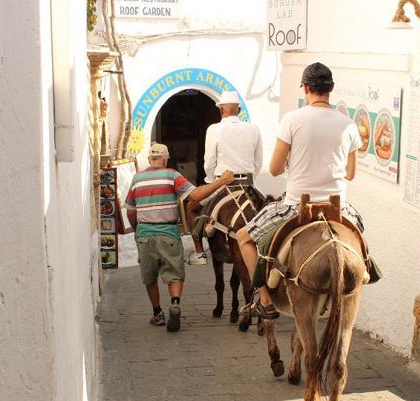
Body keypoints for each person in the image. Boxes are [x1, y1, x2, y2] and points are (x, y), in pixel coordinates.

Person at [236, 62, 365, 320]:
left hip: (296, 205)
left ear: (305, 88)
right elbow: (350, 174)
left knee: (243, 238)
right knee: (360, 237)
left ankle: (265, 300)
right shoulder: (349, 125)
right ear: (331, 89)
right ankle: (367, 269)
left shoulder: (292, 120)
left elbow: (273, 169)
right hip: (338, 207)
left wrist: (292, 162)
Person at [125, 143, 235, 332]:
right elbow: (196, 195)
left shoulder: (137, 179)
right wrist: (221, 181)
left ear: (150, 160)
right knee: (175, 273)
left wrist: (137, 230)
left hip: (145, 234)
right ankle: (175, 303)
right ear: (166, 159)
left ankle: (157, 313)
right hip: (168, 232)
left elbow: (130, 212)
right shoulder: (172, 175)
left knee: (149, 276)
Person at [186, 90, 264, 265]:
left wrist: (211, 181)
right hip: (248, 184)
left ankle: (199, 253)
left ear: (221, 110)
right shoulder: (253, 128)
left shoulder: (214, 129)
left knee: (191, 207)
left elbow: (209, 162)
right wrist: (248, 178)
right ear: (239, 110)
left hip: (223, 184)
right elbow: (258, 162)